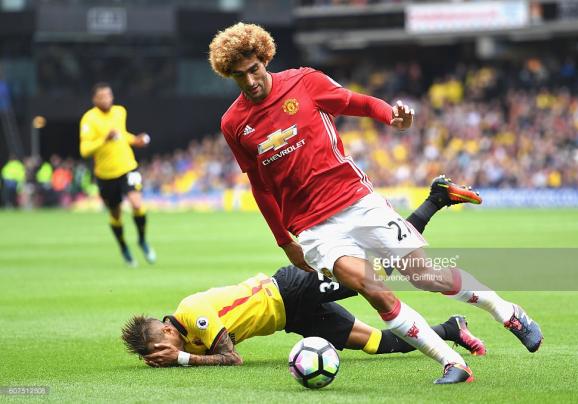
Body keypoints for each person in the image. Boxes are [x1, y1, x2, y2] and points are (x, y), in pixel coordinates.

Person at [209, 23, 542, 384]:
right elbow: (259, 185)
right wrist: (283, 239)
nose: (251, 81)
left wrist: (389, 115)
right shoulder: (233, 123)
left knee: (426, 276)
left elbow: (356, 102)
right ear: (230, 76)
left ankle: (507, 311)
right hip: (313, 229)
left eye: (254, 69)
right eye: (240, 76)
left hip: (356, 201)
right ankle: (452, 363)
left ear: (265, 59)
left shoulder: (304, 82)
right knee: (373, 288)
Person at [122, 194, 486, 367]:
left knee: (379, 271)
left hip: (290, 288)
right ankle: (452, 329)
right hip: (291, 318)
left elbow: (231, 359)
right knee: (379, 344)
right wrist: (180, 355)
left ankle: (435, 199)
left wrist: (183, 360)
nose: (165, 350)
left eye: (161, 345)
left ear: (167, 333)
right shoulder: (186, 341)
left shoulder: (192, 312)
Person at [79, 83, 155, 267]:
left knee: (137, 204)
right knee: (116, 213)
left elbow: (121, 135)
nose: (107, 99)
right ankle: (123, 247)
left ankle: (142, 240)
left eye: (109, 95)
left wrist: (135, 140)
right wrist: (103, 139)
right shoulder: (89, 120)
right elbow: (85, 150)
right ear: (94, 99)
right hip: (106, 175)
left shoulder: (119, 111)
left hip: (128, 167)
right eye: (102, 96)